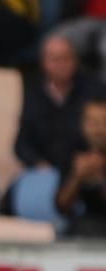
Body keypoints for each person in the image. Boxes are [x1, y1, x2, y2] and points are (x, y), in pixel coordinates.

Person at [15, 34, 98, 171]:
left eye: (67, 58)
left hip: (85, 170)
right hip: (45, 171)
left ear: (76, 60)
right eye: (55, 59)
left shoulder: (94, 90)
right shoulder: (33, 92)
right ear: (43, 62)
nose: (62, 65)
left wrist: (96, 157)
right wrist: (39, 165)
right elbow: (21, 143)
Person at [55, 93, 106, 237]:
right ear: (82, 125)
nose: (99, 130)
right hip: (86, 227)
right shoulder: (74, 155)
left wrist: (100, 180)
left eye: (105, 122)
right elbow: (62, 207)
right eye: (94, 123)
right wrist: (77, 178)